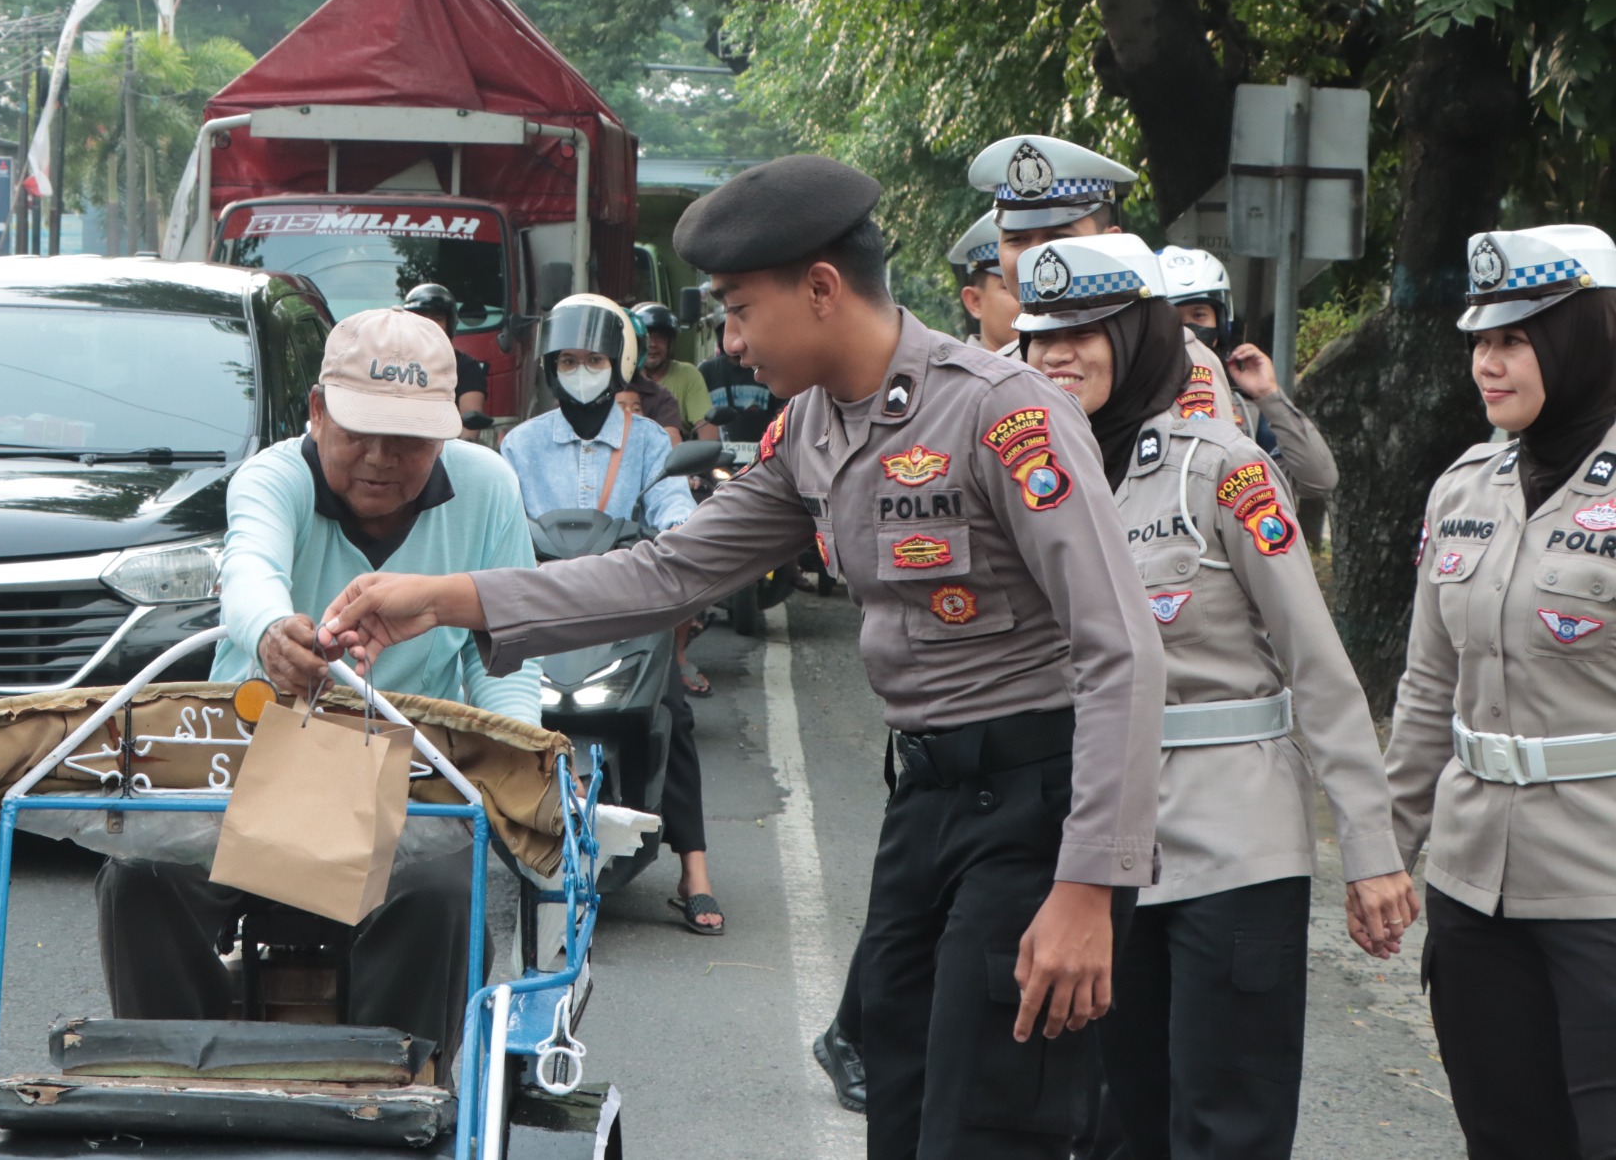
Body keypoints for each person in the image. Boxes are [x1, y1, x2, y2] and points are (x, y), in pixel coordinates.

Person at [318, 154, 1167, 1160]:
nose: (725, 339)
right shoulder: (812, 429)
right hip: (926, 804)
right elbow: (668, 574)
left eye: (737, 307)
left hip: (1037, 806)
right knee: (893, 1082)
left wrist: (1088, 888)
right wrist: (446, 600)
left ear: (819, 288)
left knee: (991, 1118)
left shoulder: (1001, 411)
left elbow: (1122, 650)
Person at [1013, 233, 1414, 1159]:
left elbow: (1318, 666)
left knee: (1224, 1127)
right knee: (1110, 1126)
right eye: (1039, 336)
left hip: (1235, 849)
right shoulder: (1034, 481)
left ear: (1142, 334)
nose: (1056, 354)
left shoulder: (1225, 469)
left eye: (1086, 330)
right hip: (1094, 851)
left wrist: (1370, 847)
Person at [95, 306, 545, 1062]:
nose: (378, 457)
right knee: (137, 876)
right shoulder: (275, 474)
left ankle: (390, 1099)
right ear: (316, 411)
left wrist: (514, 761)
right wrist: (272, 632)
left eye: (405, 440)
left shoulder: (489, 489)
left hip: (405, 784)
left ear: (448, 433)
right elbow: (249, 572)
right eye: (356, 431)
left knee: (442, 898)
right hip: (246, 771)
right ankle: (177, 1086)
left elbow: (503, 653)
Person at [1386, 224, 1616, 1160]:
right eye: (1481, 340)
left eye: (1515, 339)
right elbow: (1427, 685)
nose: (1489, 361)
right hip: (1473, 885)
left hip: (1601, 887)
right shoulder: (1464, 487)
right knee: (1505, 1136)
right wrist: (1385, 847)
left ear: (1584, 337)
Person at [499, 298, 722, 935]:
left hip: (627, 607)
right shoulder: (519, 445)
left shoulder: (649, 442)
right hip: (541, 612)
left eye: (592, 360)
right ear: (550, 368)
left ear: (616, 366)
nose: (580, 372)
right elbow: (498, 520)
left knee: (672, 714)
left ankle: (694, 873)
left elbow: (674, 506)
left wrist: (682, 538)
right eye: (568, 361)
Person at [973, 133, 1340, 500]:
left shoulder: (1182, 363)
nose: (1038, 258)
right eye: (1017, 241)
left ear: (1112, 240)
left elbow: (1209, 502)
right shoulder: (991, 378)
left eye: (1058, 236)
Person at [1153, 246, 1340, 499]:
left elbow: (1319, 480)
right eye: (1175, 318)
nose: (1189, 332)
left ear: (1220, 326)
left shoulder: (1246, 414)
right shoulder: (1134, 408)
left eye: (1199, 315)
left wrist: (1269, 395)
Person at [403, 281, 489, 435]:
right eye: (420, 317)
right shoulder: (391, 363)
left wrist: (458, 448)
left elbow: (470, 422)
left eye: (437, 318)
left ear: (450, 323)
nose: (429, 324)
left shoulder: (467, 367)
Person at [632, 302, 715, 440]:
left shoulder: (687, 375)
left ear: (670, 343)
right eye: (647, 337)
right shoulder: (624, 377)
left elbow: (708, 433)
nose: (653, 344)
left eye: (660, 337)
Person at [948, 214, 1018, 352]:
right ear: (975, 302)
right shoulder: (953, 373)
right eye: (1011, 287)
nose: (1031, 301)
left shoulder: (1060, 369)